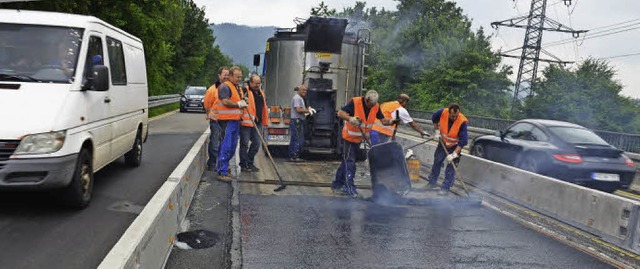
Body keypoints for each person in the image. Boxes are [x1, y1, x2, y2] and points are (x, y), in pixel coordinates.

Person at [332, 90, 398, 197]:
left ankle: (337, 185)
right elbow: (340, 113)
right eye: (370, 104)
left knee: (347, 161)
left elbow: (383, 120)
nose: (372, 107)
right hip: (348, 138)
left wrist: (392, 121)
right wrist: (350, 118)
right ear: (366, 100)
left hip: (359, 139)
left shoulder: (375, 106)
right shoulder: (355, 102)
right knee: (350, 162)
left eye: (373, 105)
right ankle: (348, 187)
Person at [426, 103, 469, 195]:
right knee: (437, 161)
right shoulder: (442, 112)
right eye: (453, 116)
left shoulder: (462, 122)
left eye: (456, 116)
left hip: (455, 146)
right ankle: (432, 182)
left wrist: (454, 154)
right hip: (443, 143)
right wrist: (436, 131)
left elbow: (463, 141)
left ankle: (445, 188)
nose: (454, 118)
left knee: (451, 167)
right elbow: (434, 118)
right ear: (449, 112)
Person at [215, 66, 247, 182]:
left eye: (241, 77)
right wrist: (238, 104)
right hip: (226, 121)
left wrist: (243, 104)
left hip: (235, 121)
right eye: (237, 77)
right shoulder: (225, 86)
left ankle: (225, 168)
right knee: (226, 146)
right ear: (231, 76)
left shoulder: (236, 88)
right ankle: (222, 172)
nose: (239, 79)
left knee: (232, 147)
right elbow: (225, 101)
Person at [239, 74, 268, 172]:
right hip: (246, 123)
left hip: (257, 122)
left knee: (256, 143)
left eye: (259, 83)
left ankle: (249, 162)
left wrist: (264, 120)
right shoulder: (244, 91)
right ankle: (243, 164)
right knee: (244, 144)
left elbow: (263, 107)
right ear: (250, 82)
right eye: (255, 83)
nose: (257, 85)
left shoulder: (261, 93)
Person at [204, 66, 229, 171]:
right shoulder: (212, 90)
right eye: (225, 75)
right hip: (216, 121)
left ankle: (222, 165)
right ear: (219, 75)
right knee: (214, 143)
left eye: (228, 75)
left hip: (227, 122)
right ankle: (212, 163)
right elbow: (207, 105)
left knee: (225, 144)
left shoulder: (230, 89)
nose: (226, 77)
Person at [288, 84, 316, 162]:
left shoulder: (300, 98)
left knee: (295, 138)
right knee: (297, 138)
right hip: (297, 121)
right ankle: (294, 156)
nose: (305, 91)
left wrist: (307, 110)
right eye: (303, 90)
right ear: (299, 90)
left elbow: (300, 109)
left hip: (297, 120)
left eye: (306, 90)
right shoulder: (297, 98)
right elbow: (298, 110)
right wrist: (308, 111)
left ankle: (292, 155)